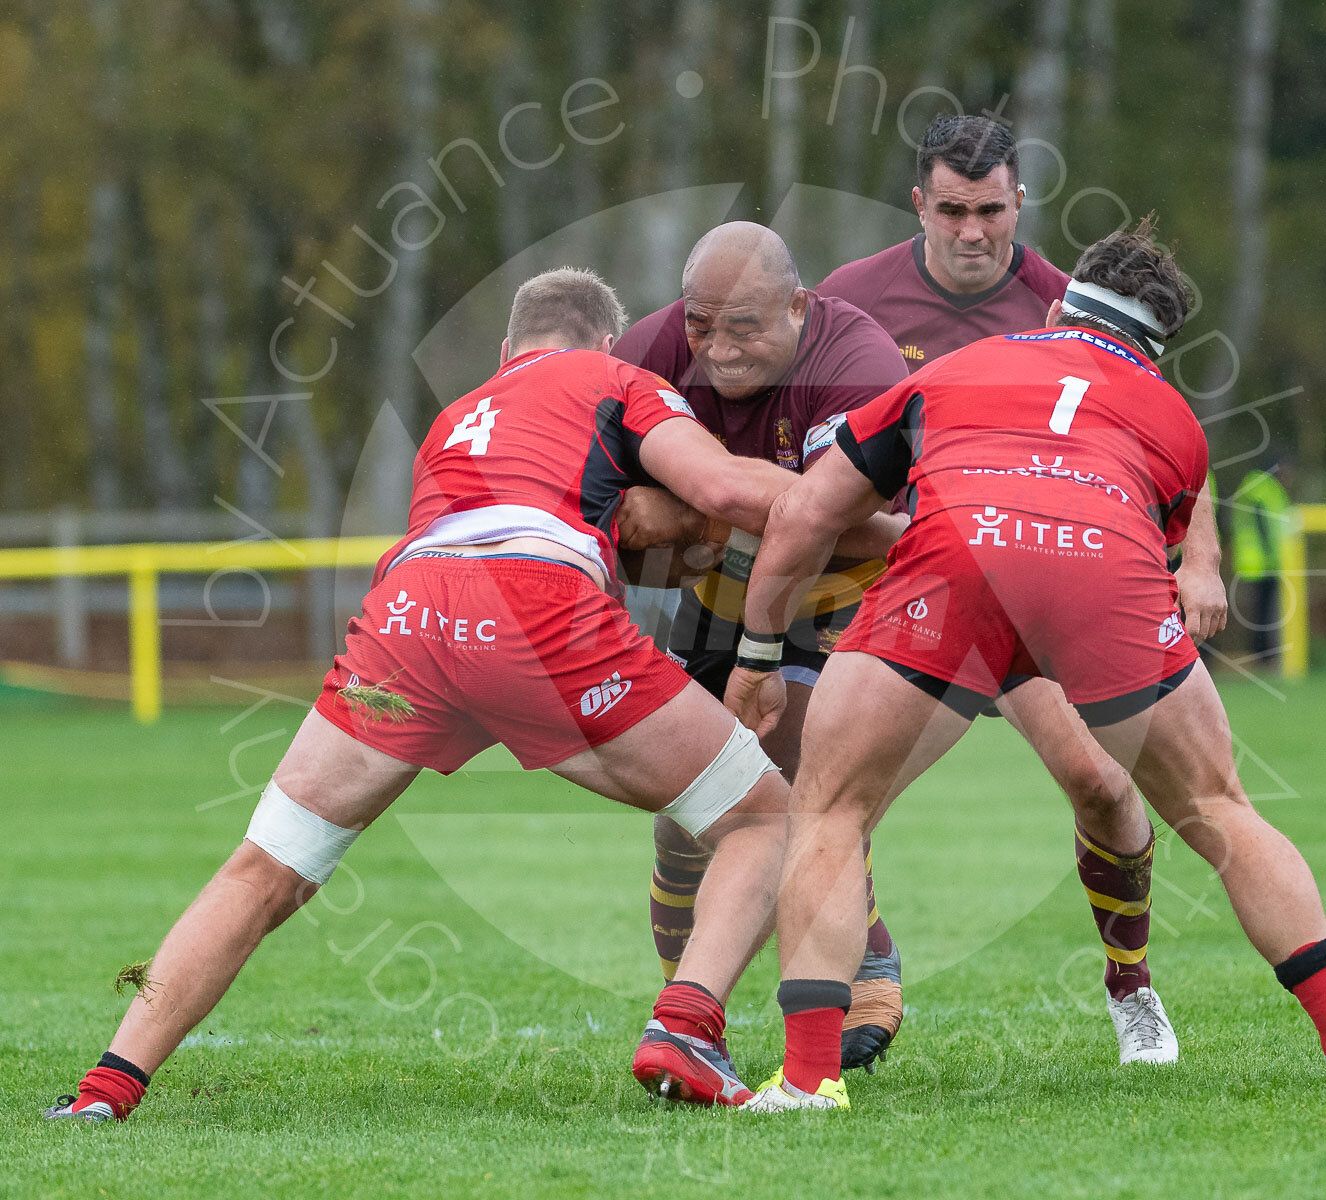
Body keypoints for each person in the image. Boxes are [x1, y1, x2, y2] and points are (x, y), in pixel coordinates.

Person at [45, 267, 800, 1122]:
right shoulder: (619, 379)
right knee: (761, 816)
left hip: (408, 614)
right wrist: (874, 504)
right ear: (601, 344)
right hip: (531, 611)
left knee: (266, 869)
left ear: (508, 350)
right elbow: (728, 490)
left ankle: (105, 1092)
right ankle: (687, 1026)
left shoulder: (456, 416)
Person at [724, 221, 1326, 1110]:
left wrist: (757, 651)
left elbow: (807, 514)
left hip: (957, 562)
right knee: (1218, 808)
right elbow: (1128, 533)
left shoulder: (954, 368)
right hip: (1097, 570)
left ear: (1055, 306)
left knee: (831, 810)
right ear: (1156, 351)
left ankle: (810, 1080)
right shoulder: (1175, 422)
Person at [819, 114, 1231, 1063]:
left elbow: (1166, 432)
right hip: (914, 589)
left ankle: (1130, 983)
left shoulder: (1065, 301)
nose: (973, 232)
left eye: (992, 212)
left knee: (1100, 783)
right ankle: (852, 989)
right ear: (919, 203)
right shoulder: (850, 301)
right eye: (954, 211)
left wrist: (1199, 561)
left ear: (1019, 205)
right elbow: (821, 454)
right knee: (833, 799)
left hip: (1043, 589)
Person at [611, 222, 913, 1071]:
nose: (716, 348)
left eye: (744, 326)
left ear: (798, 305)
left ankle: (865, 948)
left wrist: (699, 514)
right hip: (721, 587)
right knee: (689, 817)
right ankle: (693, 1017)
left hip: (844, 584)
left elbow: (851, 526)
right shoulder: (654, 349)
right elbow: (615, 512)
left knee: (798, 781)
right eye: (702, 323)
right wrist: (691, 528)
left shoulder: (857, 358)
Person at [1230, 453, 1294, 667]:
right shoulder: (1262, 488)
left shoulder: (1257, 486)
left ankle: (1265, 656)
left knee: (1262, 612)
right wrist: (1271, 554)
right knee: (1264, 613)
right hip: (1261, 563)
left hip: (1258, 561)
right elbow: (1263, 525)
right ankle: (1265, 657)